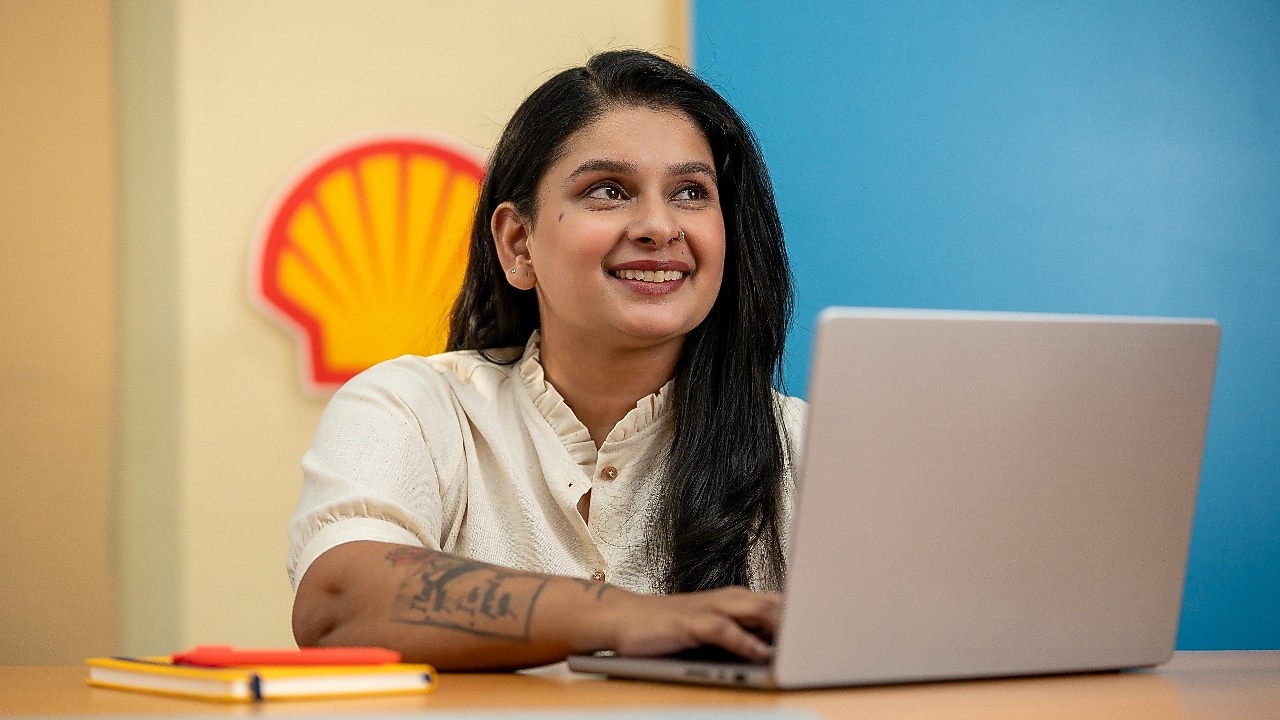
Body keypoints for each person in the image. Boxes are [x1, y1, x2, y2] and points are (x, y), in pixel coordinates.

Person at [287, 49, 806, 671]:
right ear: (517, 242)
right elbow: (339, 601)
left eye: (691, 192)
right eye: (608, 191)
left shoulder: (809, 446)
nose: (660, 226)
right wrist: (626, 616)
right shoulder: (414, 410)